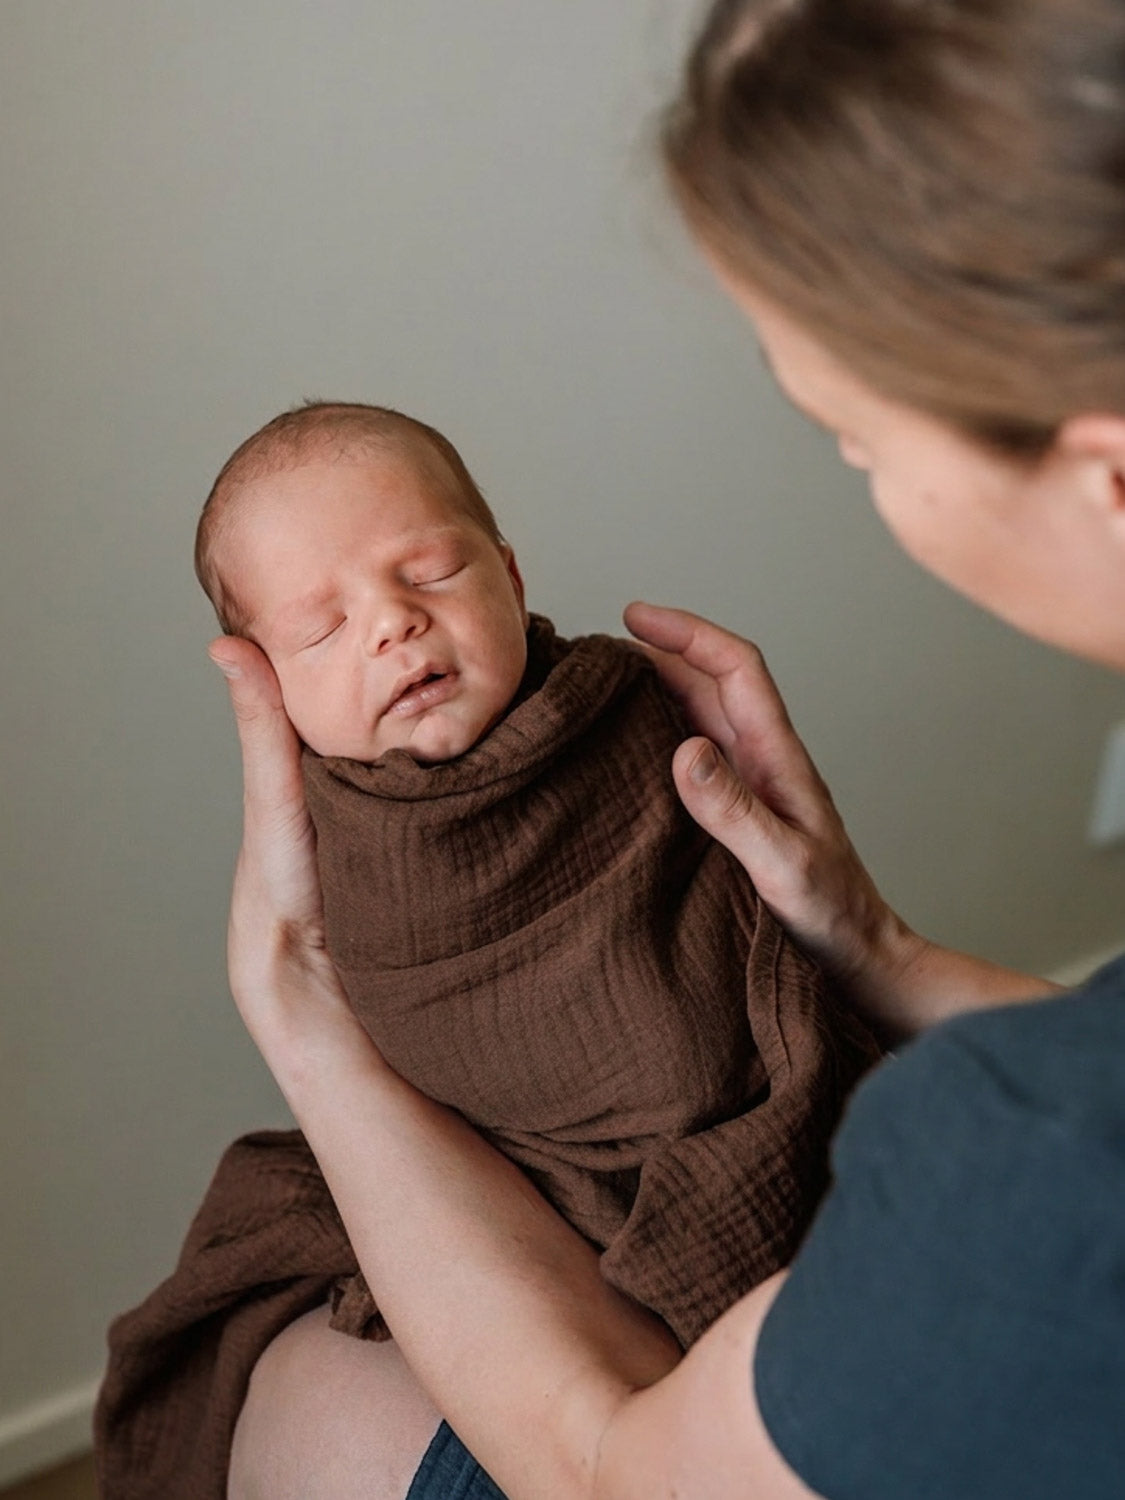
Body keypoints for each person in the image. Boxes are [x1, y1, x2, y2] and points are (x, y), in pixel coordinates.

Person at [159, 0, 1125, 1495]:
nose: (399, 632)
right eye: (326, 625)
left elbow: (615, 1471)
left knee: (293, 1379)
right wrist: (870, 942)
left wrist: (295, 1008)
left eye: (852, 437)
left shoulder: (1032, 1169)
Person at [93, 402, 875, 1500]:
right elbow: (429, 1029)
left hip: (748, 1106)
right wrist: (290, 981)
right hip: (527, 1169)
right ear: (265, 688)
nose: (394, 625)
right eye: (322, 628)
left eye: (431, 571)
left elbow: (734, 925)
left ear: (511, 578)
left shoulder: (627, 711)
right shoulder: (346, 842)